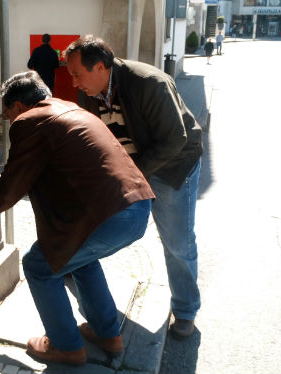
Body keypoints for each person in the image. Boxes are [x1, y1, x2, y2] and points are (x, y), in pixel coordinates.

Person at [0, 71, 155, 364]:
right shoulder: (69, 109)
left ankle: (66, 346)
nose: (9, 121)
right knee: (80, 260)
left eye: (8, 114)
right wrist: (9, 181)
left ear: (20, 107)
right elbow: (44, 170)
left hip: (107, 216)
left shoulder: (29, 122)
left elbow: (10, 192)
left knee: (38, 265)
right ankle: (107, 334)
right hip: (135, 207)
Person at [63, 35, 203, 339]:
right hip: (132, 166)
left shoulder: (149, 83)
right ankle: (77, 273)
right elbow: (94, 136)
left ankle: (185, 310)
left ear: (100, 66)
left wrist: (131, 172)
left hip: (173, 168)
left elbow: (174, 140)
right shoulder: (91, 91)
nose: (74, 83)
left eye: (77, 74)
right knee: (93, 222)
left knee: (176, 242)